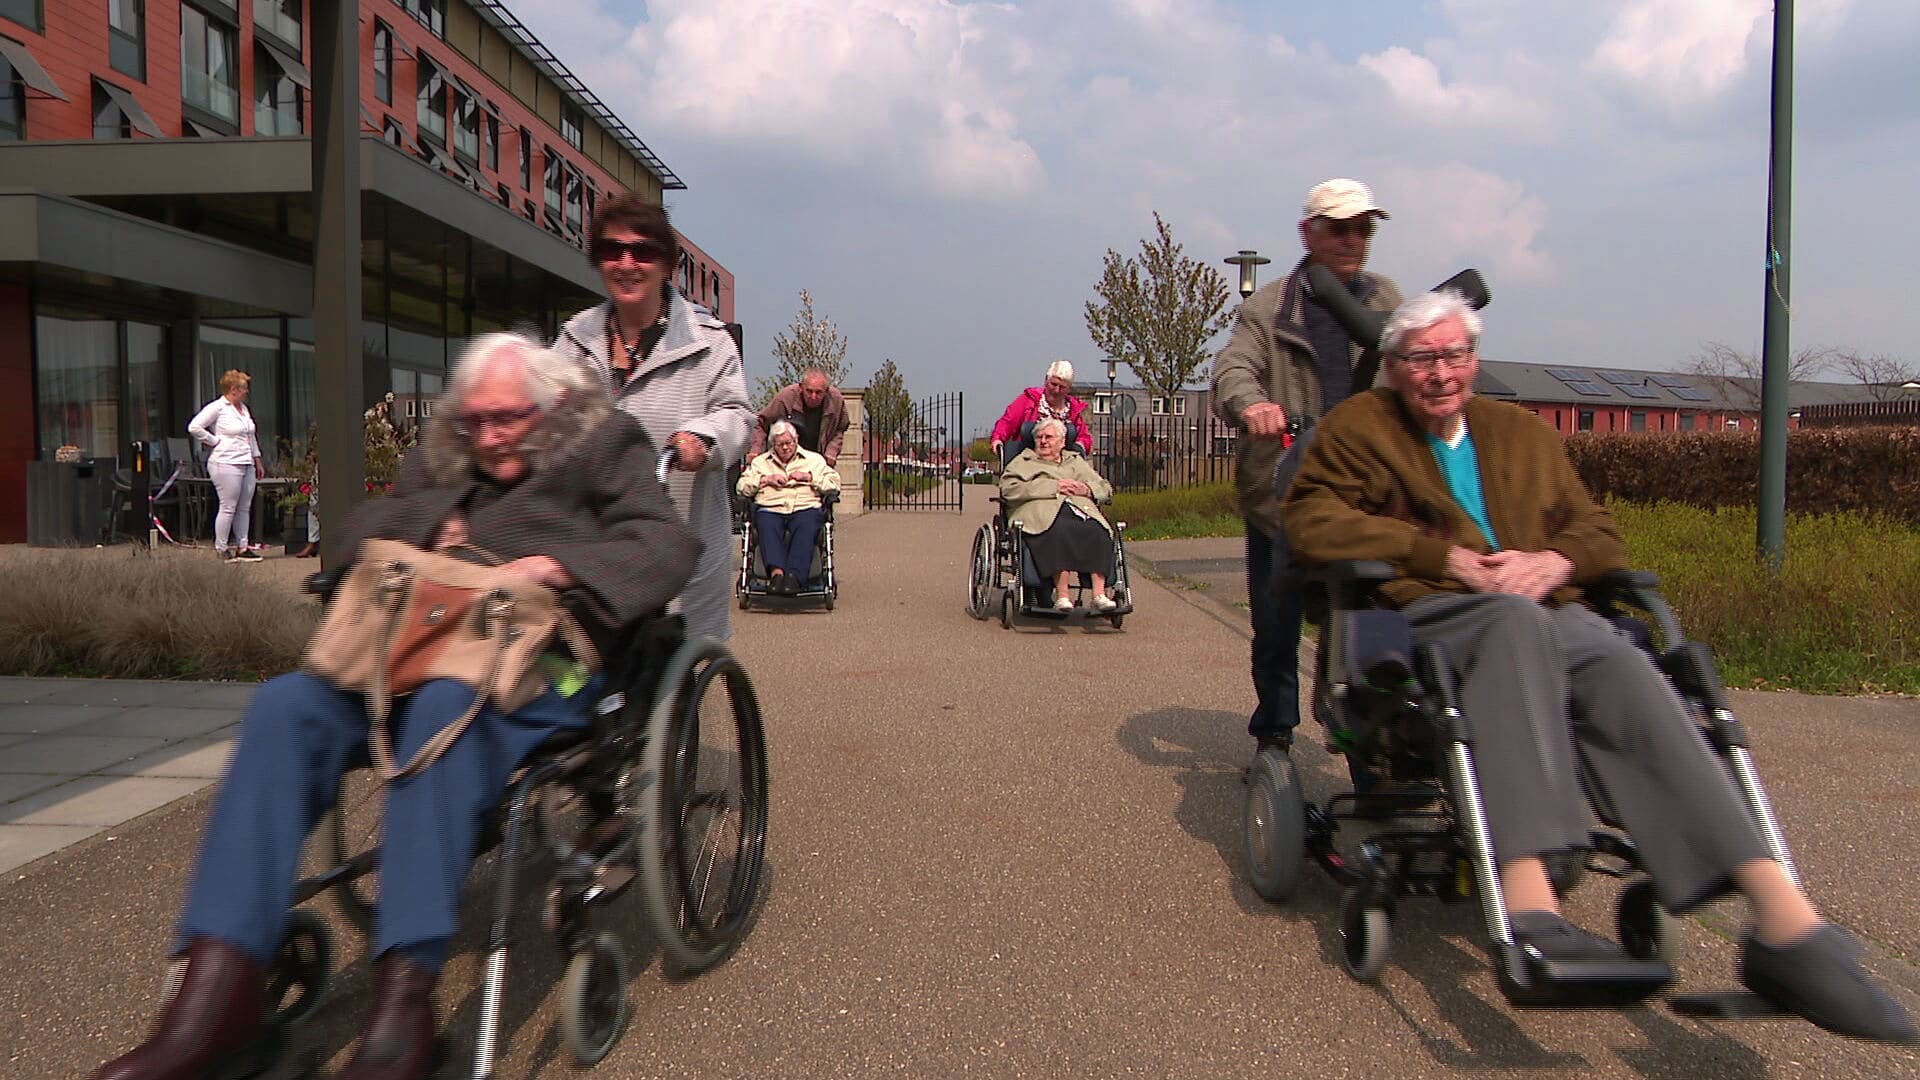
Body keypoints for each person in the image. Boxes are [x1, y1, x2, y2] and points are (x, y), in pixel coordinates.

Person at [1281, 290, 1916, 1043]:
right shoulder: (1360, 427)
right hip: (1440, 612)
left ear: (1474, 360)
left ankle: (1782, 922)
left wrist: (1555, 560)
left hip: (1547, 608)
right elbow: (1310, 518)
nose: (1441, 372)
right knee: (1515, 622)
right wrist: (1446, 557)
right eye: (1422, 358)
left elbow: (1596, 528)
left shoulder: (1519, 432)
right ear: (1394, 366)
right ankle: (1531, 909)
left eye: (1455, 355)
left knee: (1622, 661)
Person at [90, 334, 699, 1080]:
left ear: (555, 405)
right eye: (475, 421)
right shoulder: (447, 454)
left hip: (553, 664)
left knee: (443, 710)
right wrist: (422, 531)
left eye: (507, 419)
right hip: (414, 651)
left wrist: (559, 565)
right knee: (286, 709)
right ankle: (214, 1002)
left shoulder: (604, 443)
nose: (489, 437)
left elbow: (666, 544)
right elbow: (350, 537)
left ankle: (402, 1014)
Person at [1212, 178, 1402, 757]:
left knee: (1372, 612)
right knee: (1277, 621)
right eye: (1339, 228)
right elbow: (1233, 369)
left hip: (1363, 492)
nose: (1353, 239)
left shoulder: (1387, 302)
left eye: (1362, 228)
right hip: (1284, 491)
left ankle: (1368, 735)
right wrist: (1255, 406)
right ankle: (1275, 731)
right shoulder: (1269, 307)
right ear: (1309, 232)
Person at [555, 192, 753, 644]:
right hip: (594, 548)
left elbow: (737, 415)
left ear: (667, 264)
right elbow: (539, 409)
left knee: (671, 690)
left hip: (678, 550)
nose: (626, 263)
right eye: (612, 251)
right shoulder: (573, 341)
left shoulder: (708, 342)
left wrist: (702, 439)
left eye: (642, 251)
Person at [998, 417, 1117, 612]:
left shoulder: (1075, 461)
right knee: (1058, 530)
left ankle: (1099, 594)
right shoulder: (1023, 461)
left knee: (1098, 531)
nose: (1043, 441)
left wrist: (1085, 489)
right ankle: (1062, 596)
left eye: (1049, 437)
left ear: (1062, 442)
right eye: (1040, 437)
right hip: (1039, 513)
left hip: (1078, 510)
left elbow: (1105, 488)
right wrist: (1054, 486)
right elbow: (1009, 489)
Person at [738, 419, 841, 594]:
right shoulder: (760, 463)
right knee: (766, 522)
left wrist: (809, 477)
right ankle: (776, 575)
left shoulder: (814, 460)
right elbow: (741, 486)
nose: (785, 448)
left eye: (788, 443)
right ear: (773, 445)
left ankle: (794, 577)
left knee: (806, 524)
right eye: (780, 445)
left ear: (796, 440)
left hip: (804, 506)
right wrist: (765, 479)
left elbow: (834, 484)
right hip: (771, 507)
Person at [187, 370, 269, 562]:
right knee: (228, 506)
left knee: (244, 506)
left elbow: (250, 436)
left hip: (245, 461)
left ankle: (243, 546)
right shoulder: (218, 407)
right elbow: (194, 427)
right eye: (243, 389)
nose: (246, 392)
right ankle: (221, 547)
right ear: (233, 390)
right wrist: (214, 441)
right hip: (225, 462)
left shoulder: (243, 409)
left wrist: (257, 459)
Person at [991, 360, 1091, 457]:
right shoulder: (1029, 400)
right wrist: (998, 439)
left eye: (1062, 387)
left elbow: (1084, 437)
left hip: (1062, 462)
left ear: (1068, 389)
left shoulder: (1073, 409)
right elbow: (1008, 421)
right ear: (1046, 380)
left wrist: (1080, 446)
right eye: (1054, 384)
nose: (1056, 390)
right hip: (1029, 457)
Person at [749, 367, 849, 463]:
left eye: (818, 392)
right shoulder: (786, 398)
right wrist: (756, 449)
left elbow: (840, 428)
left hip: (818, 459)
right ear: (801, 387)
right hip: (785, 458)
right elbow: (761, 423)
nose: (813, 397)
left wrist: (832, 449)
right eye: (809, 391)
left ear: (826, 391)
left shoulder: (836, 400)